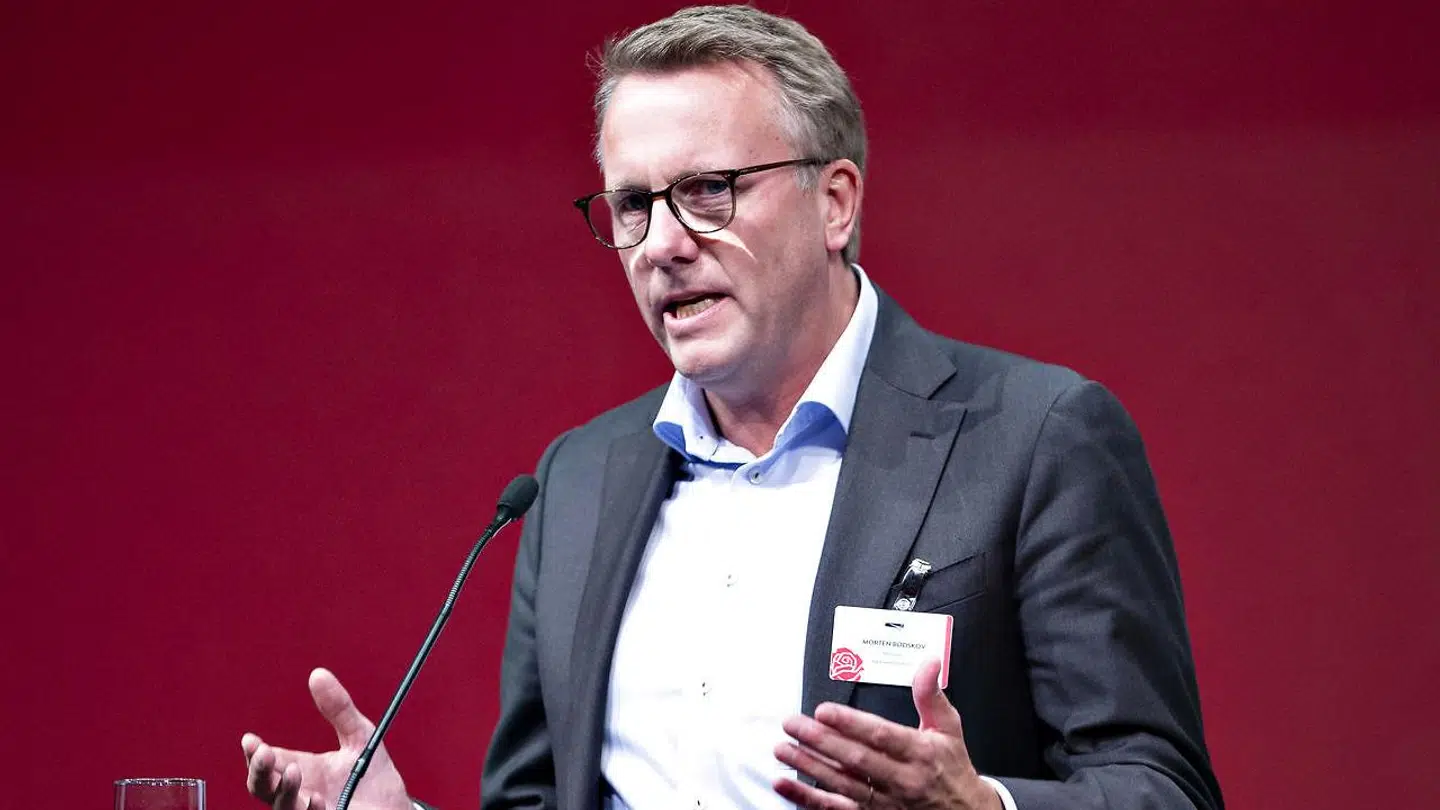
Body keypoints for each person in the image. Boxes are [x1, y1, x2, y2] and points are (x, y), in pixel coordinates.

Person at [242, 6, 1224, 810]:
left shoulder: (1034, 438)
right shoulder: (578, 480)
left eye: (709, 190)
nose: (663, 244)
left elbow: (1160, 788)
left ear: (835, 203)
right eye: (633, 205)